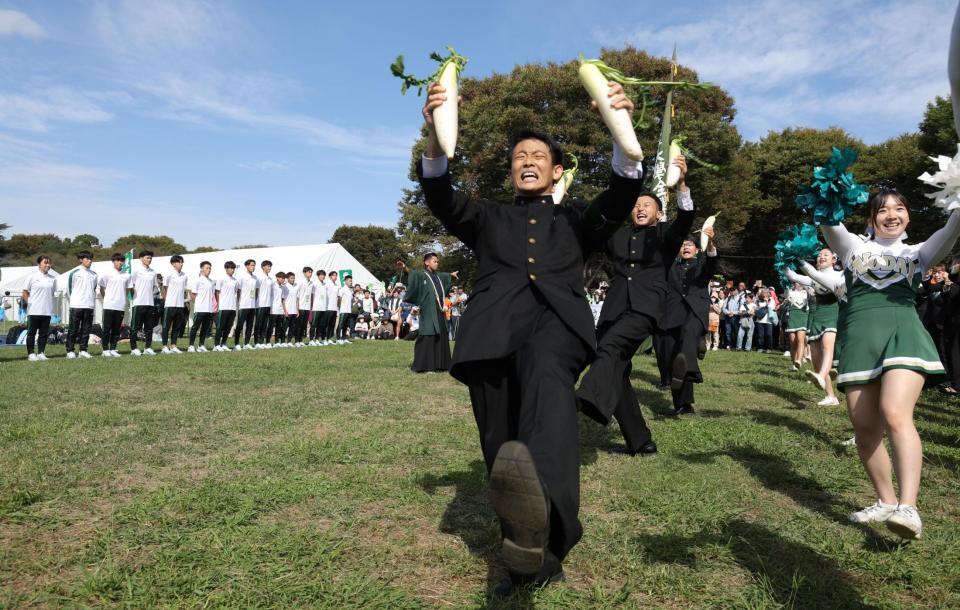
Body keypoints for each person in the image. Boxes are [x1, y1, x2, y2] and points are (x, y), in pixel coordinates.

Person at [418, 79, 641, 593]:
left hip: (556, 330)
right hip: (489, 336)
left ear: (556, 171)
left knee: (547, 413)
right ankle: (521, 547)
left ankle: (551, 546)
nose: (528, 161)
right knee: (502, 449)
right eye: (519, 156)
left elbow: (621, 192)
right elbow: (439, 194)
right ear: (511, 171)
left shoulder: (577, 220)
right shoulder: (487, 217)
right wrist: (435, 131)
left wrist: (619, 127)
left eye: (538, 156)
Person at [821, 187, 960, 539]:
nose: (892, 215)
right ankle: (885, 501)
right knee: (865, 428)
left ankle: (908, 508)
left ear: (908, 217)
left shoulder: (918, 253)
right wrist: (828, 191)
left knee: (895, 412)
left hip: (904, 334)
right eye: (883, 210)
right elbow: (828, 222)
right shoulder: (853, 246)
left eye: (899, 208)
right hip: (861, 340)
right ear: (871, 219)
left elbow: (953, 227)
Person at [577, 156, 694, 451]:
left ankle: (587, 397)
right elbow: (592, 225)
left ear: (658, 213)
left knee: (609, 349)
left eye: (647, 205)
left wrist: (682, 186)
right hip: (613, 310)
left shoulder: (665, 235)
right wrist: (564, 196)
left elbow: (685, 221)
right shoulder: (618, 234)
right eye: (636, 205)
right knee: (618, 372)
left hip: (644, 309)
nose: (640, 208)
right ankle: (640, 441)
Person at [660, 228, 718, 416]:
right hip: (672, 315)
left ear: (697, 249)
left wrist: (710, 243)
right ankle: (682, 405)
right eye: (682, 245)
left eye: (690, 244)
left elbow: (712, 262)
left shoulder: (701, 266)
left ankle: (692, 369)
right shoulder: (670, 267)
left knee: (685, 347)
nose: (685, 247)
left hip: (695, 313)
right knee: (673, 359)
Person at [787, 249, 842, 406]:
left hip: (834, 314)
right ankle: (831, 396)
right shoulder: (813, 278)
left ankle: (823, 374)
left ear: (834, 260)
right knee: (816, 359)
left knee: (827, 347)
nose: (821, 257)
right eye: (819, 255)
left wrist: (799, 259)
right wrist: (783, 260)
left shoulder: (839, 275)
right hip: (818, 316)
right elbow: (792, 276)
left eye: (826, 255)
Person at [398, 255, 456, 373]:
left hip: (440, 311)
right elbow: (413, 274)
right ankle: (426, 366)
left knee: (441, 335)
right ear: (427, 262)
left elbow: (445, 276)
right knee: (428, 334)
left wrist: (451, 275)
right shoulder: (422, 275)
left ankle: (441, 365)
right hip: (429, 310)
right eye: (435, 261)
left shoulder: (438, 276)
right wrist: (405, 268)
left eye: (437, 261)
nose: (437, 263)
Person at [22, 255, 57, 361]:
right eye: (45, 263)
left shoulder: (53, 279)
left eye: (49, 263)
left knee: (43, 333)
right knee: (31, 333)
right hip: (34, 310)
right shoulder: (32, 277)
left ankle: (41, 352)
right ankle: (31, 353)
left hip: (47, 310)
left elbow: (52, 293)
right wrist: (30, 302)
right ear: (39, 264)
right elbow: (25, 292)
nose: (48, 265)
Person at [64, 251, 98, 359]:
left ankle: (83, 350)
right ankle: (70, 350)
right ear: (81, 260)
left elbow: (93, 289)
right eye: (87, 259)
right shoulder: (74, 273)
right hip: (76, 305)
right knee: (73, 329)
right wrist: (75, 301)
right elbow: (69, 289)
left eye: (91, 259)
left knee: (86, 329)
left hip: (89, 305)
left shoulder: (94, 275)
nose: (90, 261)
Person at [129, 250, 159, 356]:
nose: (149, 260)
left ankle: (148, 347)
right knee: (135, 327)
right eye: (147, 258)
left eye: (150, 258)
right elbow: (131, 286)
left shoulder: (153, 272)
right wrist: (135, 297)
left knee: (149, 328)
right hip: (138, 303)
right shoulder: (136, 271)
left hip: (150, 303)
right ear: (141, 259)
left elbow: (154, 287)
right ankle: (134, 348)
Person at [98, 253, 128, 358]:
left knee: (116, 329)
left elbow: (128, 289)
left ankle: (113, 348)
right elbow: (102, 288)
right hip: (109, 305)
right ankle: (105, 349)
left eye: (121, 261)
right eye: (117, 260)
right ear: (113, 262)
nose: (120, 262)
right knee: (106, 328)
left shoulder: (126, 275)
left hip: (120, 305)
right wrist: (107, 299)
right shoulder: (107, 274)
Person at [160, 255, 188, 353]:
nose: (181, 264)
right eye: (179, 262)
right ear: (173, 264)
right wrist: (165, 300)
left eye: (182, 262)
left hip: (180, 304)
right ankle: (164, 346)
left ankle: (173, 345)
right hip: (170, 304)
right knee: (166, 326)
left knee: (177, 326)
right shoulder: (169, 274)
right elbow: (165, 288)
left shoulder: (184, 275)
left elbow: (184, 289)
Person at [187, 261, 216, 353]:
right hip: (200, 309)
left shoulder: (211, 282)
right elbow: (193, 295)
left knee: (205, 328)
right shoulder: (197, 280)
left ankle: (201, 345)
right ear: (202, 269)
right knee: (195, 327)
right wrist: (198, 304)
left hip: (209, 309)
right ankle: (191, 346)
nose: (209, 270)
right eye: (207, 268)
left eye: (210, 268)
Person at [213, 261, 239, 352]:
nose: (232, 270)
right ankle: (216, 345)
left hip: (232, 307)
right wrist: (218, 304)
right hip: (223, 306)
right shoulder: (221, 279)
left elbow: (236, 292)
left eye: (233, 268)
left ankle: (223, 344)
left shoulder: (235, 280)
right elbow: (217, 292)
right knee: (220, 326)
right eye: (230, 268)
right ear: (226, 269)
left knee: (228, 327)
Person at [784, 281, 811, 370]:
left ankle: (798, 361)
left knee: (800, 340)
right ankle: (794, 363)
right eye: (797, 283)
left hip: (803, 316)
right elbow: (786, 294)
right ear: (794, 284)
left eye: (800, 282)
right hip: (792, 316)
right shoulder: (789, 291)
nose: (799, 284)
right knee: (793, 342)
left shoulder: (807, 292)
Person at [234, 259, 258, 351]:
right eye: (251, 265)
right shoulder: (242, 276)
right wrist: (239, 302)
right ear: (247, 266)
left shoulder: (255, 278)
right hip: (243, 305)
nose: (253, 267)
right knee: (239, 325)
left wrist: (254, 302)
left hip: (252, 305)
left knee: (250, 325)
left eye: (254, 265)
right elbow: (238, 290)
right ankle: (236, 344)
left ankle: (246, 343)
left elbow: (256, 291)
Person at [254, 260, 274, 349]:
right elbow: (256, 290)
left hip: (268, 304)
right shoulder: (259, 278)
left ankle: (262, 341)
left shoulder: (270, 279)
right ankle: (256, 342)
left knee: (265, 324)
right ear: (263, 267)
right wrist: (256, 302)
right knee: (258, 323)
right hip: (260, 304)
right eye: (268, 266)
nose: (269, 268)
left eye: (270, 266)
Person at [267, 271, 289, 347]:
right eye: (282, 278)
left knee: (278, 327)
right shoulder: (272, 285)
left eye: (284, 278)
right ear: (277, 277)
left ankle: (276, 342)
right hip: (273, 310)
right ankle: (268, 342)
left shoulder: (282, 288)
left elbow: (282, 300)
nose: (283, 279)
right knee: (270, 327)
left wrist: (284, 310)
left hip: (280, 310)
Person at [309, 269, 327, 346]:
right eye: (321, 275)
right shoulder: (315, 284)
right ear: (318, 276)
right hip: (316, 307)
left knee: (320, 325)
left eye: (324, 275)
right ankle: (311, 340)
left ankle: (317, 339)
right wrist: (311, 305)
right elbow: (312, 294)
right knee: (314, 324)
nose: (323, 276)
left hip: (323, 307)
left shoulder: (325, 284)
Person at [297, 267, 314, 347]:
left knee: (304, 325)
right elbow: (297, 295)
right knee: (299, 325)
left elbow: (311, 295)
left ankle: (301, 340)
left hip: (307, 307)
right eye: (308, 272)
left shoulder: (311, 283)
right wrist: (297, 307)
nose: (310, 274)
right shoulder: (300, 282)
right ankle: (297, 341)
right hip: (301, 307)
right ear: (304, 273)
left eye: (311, 272)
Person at [322, 271, 340, 345]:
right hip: (328, 307)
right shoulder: (326, 284)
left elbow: (338, 297)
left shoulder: (337, 286)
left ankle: (329, 338)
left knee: (332, 324)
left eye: (336, 275)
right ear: (330, 276)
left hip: (334, 308)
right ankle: (324, 338)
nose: (335, 277)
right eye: (333, 275)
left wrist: (338, 306)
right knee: (326, 324)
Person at [336, 274, 354, 344]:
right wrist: (340, 308)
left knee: (346, 325)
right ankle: (338, 339)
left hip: (348, 310)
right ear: (346, 281)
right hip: (343, 310)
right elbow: (339, 298)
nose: (351, 282)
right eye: (349, 281)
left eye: (351, 281)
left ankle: (344, 338)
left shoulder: (350, 290)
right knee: (341, 325)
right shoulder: (342, 289)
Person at [284, 272, 300, 346]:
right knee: (284, 327)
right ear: (287, 279)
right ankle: (282, 341)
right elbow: (283, 300)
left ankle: (289, 341)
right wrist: (285, 310)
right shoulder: (285, 287)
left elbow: (297, 299)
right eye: (291, 278)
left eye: (294, 278)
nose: (293, 279)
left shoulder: (296, 287)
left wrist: (297, 310)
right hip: (287, 310)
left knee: (292, 327)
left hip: (294, 311)